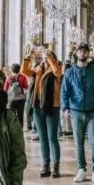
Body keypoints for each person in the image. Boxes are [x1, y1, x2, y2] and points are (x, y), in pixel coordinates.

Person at [60, 42, 94, 183]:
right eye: (80, 51)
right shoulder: (70, 72)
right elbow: (64, 91)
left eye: (85, 51)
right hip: (76, 111)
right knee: (78, 143)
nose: (82, 53)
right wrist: (65, 108)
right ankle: (81, 169)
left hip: (93, 111)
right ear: (76, 53)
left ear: (88, 54)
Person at [33, 50, 62, 178]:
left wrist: (50, 57)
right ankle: (46, 165)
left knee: (52, 137)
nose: (45, 59)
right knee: (43, 138)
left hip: (52, 106)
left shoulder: (56, 69)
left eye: (48, 57)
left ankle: (56, 166)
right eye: (44, 57)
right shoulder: (38, 70)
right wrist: (28, 56)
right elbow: (24, 71)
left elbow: (57, 72)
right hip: (38, 106)